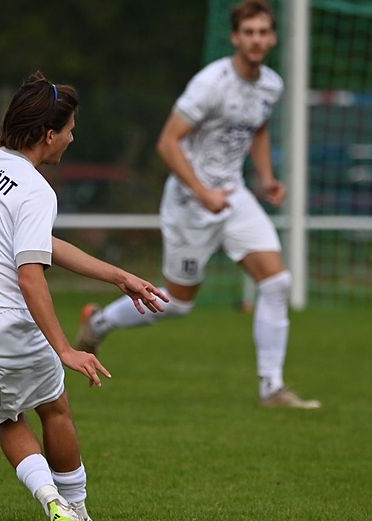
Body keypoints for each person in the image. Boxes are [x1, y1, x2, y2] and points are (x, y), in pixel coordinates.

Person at [0, 71, 168, 521]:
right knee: (54, 407)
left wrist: (118, 276)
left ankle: (51, 501)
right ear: (49, 134)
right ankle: (80, 511)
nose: (72, 138)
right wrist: (65, 349)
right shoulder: (35, 189)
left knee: (7, 417)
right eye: (70, 129)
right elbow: (30, 276)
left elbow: (37, 243)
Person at [75, 0, 320, 409]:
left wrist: (266, 178)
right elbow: (167, 143)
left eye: (263, 32)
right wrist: (203, 192)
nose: (257, 40)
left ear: (273, 38)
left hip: (234, 197)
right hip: (190, 203)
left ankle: (272, 388)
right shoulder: (210, 84)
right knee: (178, 303)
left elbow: (258, 130)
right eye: (249, 32)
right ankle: (99, 322)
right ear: (235, 38)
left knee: (277, 283)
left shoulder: (271, 85)